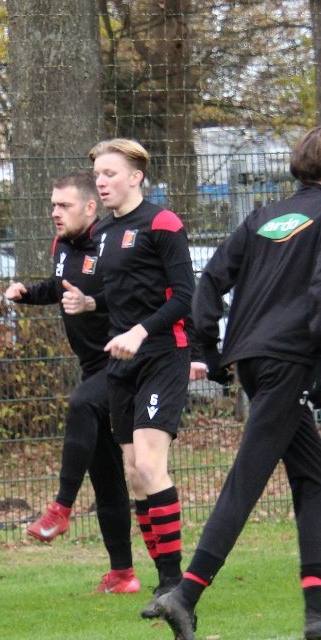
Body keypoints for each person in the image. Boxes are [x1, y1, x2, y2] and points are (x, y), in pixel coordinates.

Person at [152, 126, 321, 640]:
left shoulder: (265, 216)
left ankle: (318, 609)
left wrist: (209, 350)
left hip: (253, 357)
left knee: (319, 479)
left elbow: (210, 280)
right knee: (247, 480)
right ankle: (185, 594)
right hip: (290, 358)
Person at [8, 171, 138, 593]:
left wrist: (91, 302)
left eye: (64, 205)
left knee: (82, 403)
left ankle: (60, 509)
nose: (55, 212)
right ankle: (123, 573)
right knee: (105, 472)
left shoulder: (113, 244)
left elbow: (133, 299)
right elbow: (60, 285)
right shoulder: (62, 245)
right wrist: (29, 293)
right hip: (93, 366)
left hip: (128, 361)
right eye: (53, 205)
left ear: (90, 207)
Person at [89, 138, 195, 614]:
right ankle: (162, 579)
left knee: (152, 467)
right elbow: (122, 293)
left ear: (136, 177)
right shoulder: (103, 231)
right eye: (97, 174)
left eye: (110, 173)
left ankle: (174, 584)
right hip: (122, 361)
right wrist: (90, 303)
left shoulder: (162, 223)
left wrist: (141, 330)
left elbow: (185, 296)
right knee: (134, 475)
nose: (101, 181)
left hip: (162, 355)